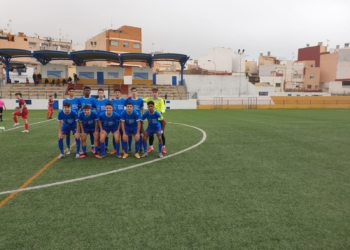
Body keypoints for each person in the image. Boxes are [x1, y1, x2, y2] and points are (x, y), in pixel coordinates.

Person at [143, 87, 167, 154]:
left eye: (156, 92)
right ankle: (151, 147)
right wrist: (130, 98)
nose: (154, 93)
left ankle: (163, 147)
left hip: (159, 118)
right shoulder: (149, 99)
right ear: (152, 93)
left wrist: (161, 112)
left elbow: (163, 108)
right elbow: (142, 100)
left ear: (157, 93)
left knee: (161, 134)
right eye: (153, 92)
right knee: (150, 134)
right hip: (151, 119)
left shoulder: (160, 100)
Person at [125, 87, 145, 153]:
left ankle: (140, 148)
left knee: (139, 134)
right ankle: (130, 148)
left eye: (135, 91)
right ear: (131, 92)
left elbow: (142, 108)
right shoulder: (129, 100)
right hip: (130, 120)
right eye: (132, 91)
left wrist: (143, 117)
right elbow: (125, 107)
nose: (134, 92)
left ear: (137, 92)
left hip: (138, 120)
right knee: (130, 134)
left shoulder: (140, 100)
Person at [62, 87, 80, 153]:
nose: (71, 92)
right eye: (70, 91)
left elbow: (79, 107)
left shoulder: (77, 100)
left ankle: (77, 150)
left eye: (73, 91)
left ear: (74, 92)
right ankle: (68, 148)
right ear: (68, 92)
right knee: (67, 134)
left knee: (76, 135)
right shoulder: (64, 101)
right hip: (67, 121)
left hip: (75, 121)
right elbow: (63, 110)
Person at [111, 89, 126, 154]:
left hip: (122, 121)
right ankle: (115, 149)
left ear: (120, 94)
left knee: (123, 134)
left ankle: (123, 149)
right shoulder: (111, 101)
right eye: (116, 92)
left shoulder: (123, 100)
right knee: (115, 135)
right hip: (114, 121)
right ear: (114, 94)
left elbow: (129, 105)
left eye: (118, 92)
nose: (117, 94)